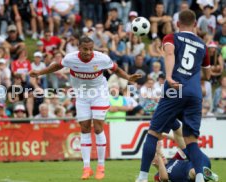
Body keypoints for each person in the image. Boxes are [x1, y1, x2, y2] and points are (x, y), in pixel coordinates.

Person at [30, 36, 141, 180]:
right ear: (79, 48)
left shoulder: (102, 58)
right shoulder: (70, 58)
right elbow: (57, 66)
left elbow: (115, 69)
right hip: (81, 95)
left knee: (98, 126)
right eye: (85, 49)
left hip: (99, 93)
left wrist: (128, 77)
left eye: (90, 49)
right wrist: (39, 73)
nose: (88, 52)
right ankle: (86, 167)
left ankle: (101, 166)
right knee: (85, 128)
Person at [136, 10, 211, 182]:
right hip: (194, 93)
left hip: (174, 89)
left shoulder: (171, 37)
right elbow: (207, 76)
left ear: (177, 24)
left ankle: (142, 178)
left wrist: (169, 76)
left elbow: (169, 53)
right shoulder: (202, 45)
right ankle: (199, 177)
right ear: (195, 25)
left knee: (153, 133)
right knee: (191, 140)